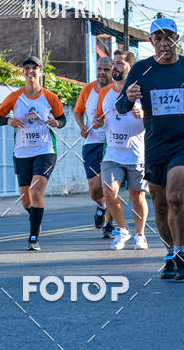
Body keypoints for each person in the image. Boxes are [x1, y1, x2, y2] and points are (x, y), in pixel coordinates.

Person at [116, 17, 184, 280]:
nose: (164, 43)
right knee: (160, 205)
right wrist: (128, 98)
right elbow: (121, 106)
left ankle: (181, 253)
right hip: (155, 144)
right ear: (151, 42)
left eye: (169, 37)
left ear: (177, 38)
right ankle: (170, 253)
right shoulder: (141, 69)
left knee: (175, 196)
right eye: (158, 38)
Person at [0, 56, 66, 251]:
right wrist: (8, 121)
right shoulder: (14, 97)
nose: (31, 71)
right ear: (22, 72)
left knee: (36, 192)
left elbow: (63, 119)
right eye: (27, 68)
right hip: (22, 152)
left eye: (35, 67)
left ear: (41, 71)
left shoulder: (50, 97)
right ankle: (36, 219)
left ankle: (34, 238)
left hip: (45, 150)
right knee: (26, 199)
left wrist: (56, 123)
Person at [93, 50, 149, 250]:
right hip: (113, 153)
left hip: (136, 153)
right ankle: (123, 229)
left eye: (119, 64)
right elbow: (100, 116)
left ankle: (140, 235)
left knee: (137, 196)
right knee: (109, 191)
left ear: (130, 68)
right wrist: (97, 122)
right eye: (114, 63)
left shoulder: (142, 90)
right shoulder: (105, 92)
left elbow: (154, 118)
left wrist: (143, 113)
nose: (114, 67)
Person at [74, 57, 115, 238]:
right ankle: (101, 205)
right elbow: (77, 111)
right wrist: (82, 126)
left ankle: (109, 224)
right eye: (99, 69)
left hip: (113, 143)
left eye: (106, 69)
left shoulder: (117, 91)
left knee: (110, 186)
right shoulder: (88, 90)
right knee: (94, 188)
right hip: (91, 143)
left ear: (112, 71)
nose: (102, 73)